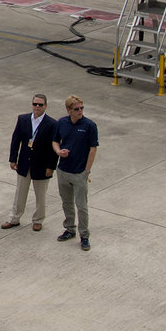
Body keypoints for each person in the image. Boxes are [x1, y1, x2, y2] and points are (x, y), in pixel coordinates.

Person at [6, 94, 59, 231]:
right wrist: (13, 159)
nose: (37, 107)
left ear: (45, 106)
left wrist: (51, 167)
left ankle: (38, 220)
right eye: (35, 104)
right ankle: (14, 218)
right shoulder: (23, 119)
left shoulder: (52, 124)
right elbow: (16, 140)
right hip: (24, 163)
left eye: (40, 105)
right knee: (20, 193)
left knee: (40, 195)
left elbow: (54, 147)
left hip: (41, 166)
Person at [54, 95, 99, 250]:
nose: (80, 111)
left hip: (80, 173)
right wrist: (59, 152)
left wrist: (87, 170)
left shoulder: (89, 126)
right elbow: (55, 141)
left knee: (82, 206)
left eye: (81, 108)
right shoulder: (61, 123)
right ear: (69, 110)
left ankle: (84, 235)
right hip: (63, 171)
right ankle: (69, 229)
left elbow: (93, 148)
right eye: (76, 109)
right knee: (66, 202)